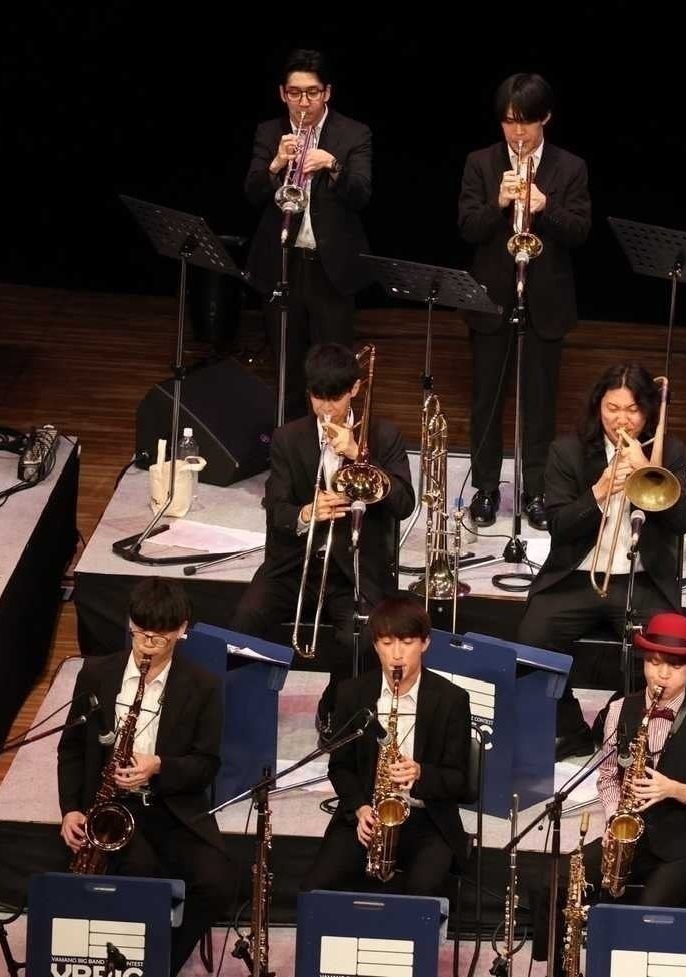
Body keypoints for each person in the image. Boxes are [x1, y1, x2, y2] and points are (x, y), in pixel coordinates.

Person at [530, 612, 686, 974]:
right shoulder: (620, 710)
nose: (661, 675)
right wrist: (613, 818)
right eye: (653, 663)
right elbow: (608, 777)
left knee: (643, 915)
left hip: (680, 851)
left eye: (673, 666)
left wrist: (674, 789)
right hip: (624, 837)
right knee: (553, 884)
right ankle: (561, 969)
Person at [229, 344, 415, 735]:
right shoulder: (288, 437)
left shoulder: (383, 435)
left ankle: (336, 704)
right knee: (247, 616)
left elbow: (404, 504)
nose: (326, 409)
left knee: (360, 637)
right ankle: (242, 708)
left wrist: (359, 455)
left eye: (335, 398)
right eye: (318, 398)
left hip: (355, 568)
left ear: (355, 389)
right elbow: (276, 509)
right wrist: (305, 513)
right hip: (295, 562)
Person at [516, 363, 686, 759]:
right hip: (578, 577)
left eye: (632, 410)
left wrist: (649, 469)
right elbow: (559, 526)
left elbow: (682, 521)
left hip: (641, 579)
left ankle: (615, 718)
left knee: (663, 652)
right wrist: (598, 491)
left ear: (647, 412)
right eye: (612, 408)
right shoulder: (568, 451)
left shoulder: (669, 451)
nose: (621, 420)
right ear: (598, 407)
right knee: (532, 640)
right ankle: (568, 726)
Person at [57, 578, 232, 976]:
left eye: (160, 638)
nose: (147, 647)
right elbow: (71, 748)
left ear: (182, 630)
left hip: (171, 807)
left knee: (217, 882)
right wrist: (70, 809)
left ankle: (159, 964)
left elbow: (207, 764)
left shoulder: (203, 686)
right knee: (140, 877)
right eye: (141, 634)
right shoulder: (97, 674)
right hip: (111, 808)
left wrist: (160, 766)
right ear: (130, 624)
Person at [459, 72, 592, 531]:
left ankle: (537, 490)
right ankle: (485, 487)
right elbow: (468, 228)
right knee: (486, 401)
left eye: (526, 122)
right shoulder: (480, 163)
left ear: (545, 118)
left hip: (546, 301)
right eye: (509, 121)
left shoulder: (570, 167)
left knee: (540, 404)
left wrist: (544, 206)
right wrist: (496, 202)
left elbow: (580, 230)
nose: (517, 131)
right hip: (492, 298)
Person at [298, 597, 470, 897]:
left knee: (423, 893)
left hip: (428, 819)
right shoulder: (353, 694)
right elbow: (340, 767)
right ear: (375, 645)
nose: (397, 654)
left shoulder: (452, 699)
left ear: (425, 644)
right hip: (369, 816)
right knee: (314, 891)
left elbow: (459, 779)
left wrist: (420, 773)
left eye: (407, 642)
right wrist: (360, 808)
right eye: (387, 643)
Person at [245, 49, 372, 420]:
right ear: (282, 93)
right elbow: (252, 193)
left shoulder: (354, 133)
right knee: (286, 370)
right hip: (282, 265)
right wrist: (275, 163)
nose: (304, 102)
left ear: (327, 92)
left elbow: (361, 195)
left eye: (312, 93)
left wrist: (333, 164)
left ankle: (333, 448)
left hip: (330, 270)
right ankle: (288, 445)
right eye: (295, 93)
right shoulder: (269, 132)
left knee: (332, 375)